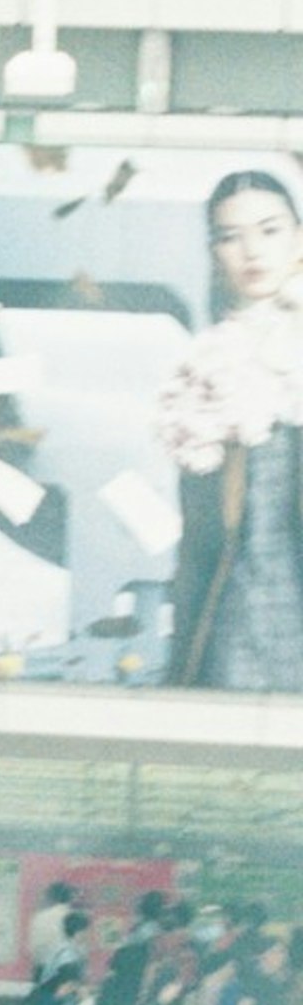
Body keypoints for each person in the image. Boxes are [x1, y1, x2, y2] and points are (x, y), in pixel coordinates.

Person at [163, 168, 303, 687]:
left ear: (298, 237)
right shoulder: (208, 366)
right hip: (240, 617)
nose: (252, 251)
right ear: (214, 252)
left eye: (269, 230)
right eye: (230, 236)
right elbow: (199, 545)